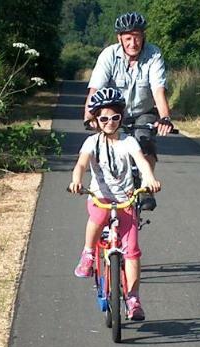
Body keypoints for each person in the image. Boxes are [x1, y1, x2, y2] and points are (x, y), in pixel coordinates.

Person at [69, 87, 162, 321]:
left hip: (126, 201)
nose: (109, 122)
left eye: (115, 118)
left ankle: (133, 299)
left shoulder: (128, 141)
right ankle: (89, 253)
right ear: (95, 121)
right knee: (98, 217)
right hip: (100, 198)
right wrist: (76, 181)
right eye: (103, 118)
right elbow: (81, 164)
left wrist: (149, 177)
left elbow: (141, 161)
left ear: (121, 117)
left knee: (131, 251)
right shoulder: (91, 143)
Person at [85, 11, 175, 209]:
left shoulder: (153, 54)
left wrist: (165, 118)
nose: (133, 43)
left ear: (143, 37)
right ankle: (105, 189)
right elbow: (95, 89)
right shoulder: (109, 55)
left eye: (137, 37)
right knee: (107, 148)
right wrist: (89, 117)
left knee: (145, 140)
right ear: (120, 38)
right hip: (115, 113)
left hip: (144, 111)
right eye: (128, 38)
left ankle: (146, 187)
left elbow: (158, 90)